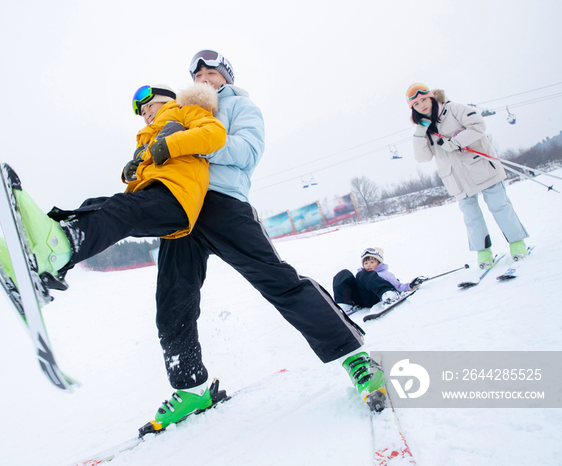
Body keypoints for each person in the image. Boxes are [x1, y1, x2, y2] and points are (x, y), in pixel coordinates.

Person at [145, 50, 382, 432]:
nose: (205, 78)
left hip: (226, 207)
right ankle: (191, 390)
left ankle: (356, 358)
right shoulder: (183, 112)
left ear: (226, 76)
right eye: (198, 75)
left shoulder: (241, 108)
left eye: (212, 72)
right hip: (184, 212)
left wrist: (194, 141)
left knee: (280, 283)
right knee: (172, 301)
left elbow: (246, 153)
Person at [0, 83, 226, 290]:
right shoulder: (148, 136)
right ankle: (36, 256)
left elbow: (215, 134)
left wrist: (167, 146)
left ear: (166, 100)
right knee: (95, 206)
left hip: (177, 198)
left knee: (120, 210)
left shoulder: (185, 111)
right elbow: (151, 166)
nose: (146, 114)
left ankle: (54, 252)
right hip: (158, 194)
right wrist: (133, 168)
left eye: (149, 106)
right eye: (141, 113)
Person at [407, 83, 529, 268]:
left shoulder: (455, 109)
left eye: (424, 99)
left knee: (500, 207)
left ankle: (517, 243)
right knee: (472, 217)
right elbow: (422, 158)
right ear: (413, 108)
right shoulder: (424, 129)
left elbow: (478, 126)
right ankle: (484, 253)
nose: (422, 105)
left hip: (482, 168)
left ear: (431, 97)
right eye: (416, 104)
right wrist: (419, 132)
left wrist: (455, 142)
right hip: (456, 180)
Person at [333, 247, 418, 313]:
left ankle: (387, 294)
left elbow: (398, 286)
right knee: (343, 274)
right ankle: (344, 305)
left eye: (372, 262)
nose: (368, 265)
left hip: (374, 297)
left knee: (364, 274)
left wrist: (410, 286)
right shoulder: (362, 275)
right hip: (361, 298)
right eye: (366, 263)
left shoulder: (383, 274)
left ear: (379, 263)